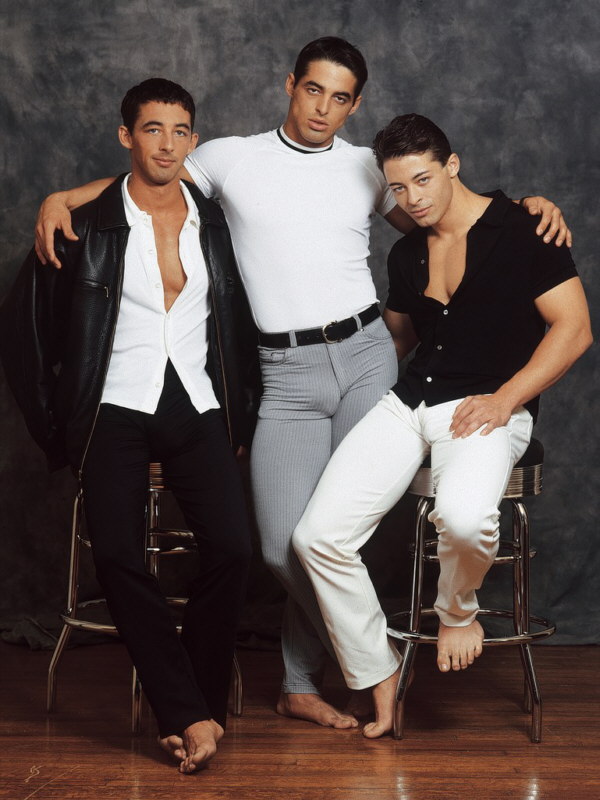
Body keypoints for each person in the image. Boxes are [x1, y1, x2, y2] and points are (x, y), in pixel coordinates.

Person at [32, 37, 570, 730]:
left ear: (355, 105)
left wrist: (525, 210)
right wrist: (61, 197)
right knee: (285, 543)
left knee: (337, 534)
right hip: (284, 373)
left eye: (340, 98)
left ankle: (297, 682)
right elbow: (149, 176)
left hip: (367, 354)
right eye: (314, 90)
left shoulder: (368, 168)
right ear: (291, 84)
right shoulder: (230, 158)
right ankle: (375, 662)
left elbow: (443, 214)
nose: (323, 108)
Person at [292, 113, 592, 739]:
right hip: (410, 404)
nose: (413, 199)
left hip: (486, 406)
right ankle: (379, 669)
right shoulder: (406, 254)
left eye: (423, 180)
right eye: (399, 188)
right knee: (316, 537)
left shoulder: (524, 230)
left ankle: (457, 612)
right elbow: (398, 342)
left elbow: (574, 329)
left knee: (462, 517)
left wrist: (506, 399)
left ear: (452, 165)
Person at [0, 79, 259, 773]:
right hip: (113, 406)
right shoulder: (84, 225)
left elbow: (236, 325)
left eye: (179, 131)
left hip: (195, 401)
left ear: (192, 141)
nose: (166, 145)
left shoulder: (214, 220)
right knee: (117, 555)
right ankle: (189, 713)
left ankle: (195, 702)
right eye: (152, 129)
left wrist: (240, 411)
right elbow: (23, 331)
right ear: (126, 136)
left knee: (233, 549)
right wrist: (57, 426)